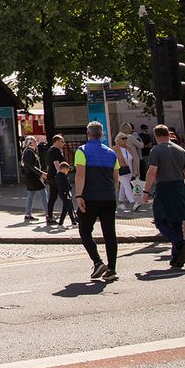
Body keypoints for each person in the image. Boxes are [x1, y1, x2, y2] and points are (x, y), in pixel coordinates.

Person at [142, 125, 185, 269]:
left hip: (164, 188)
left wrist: (146, 192)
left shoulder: (156, 150)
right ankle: (176, 258)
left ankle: (180, 243)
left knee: (160, 221)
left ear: (156, 136)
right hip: (179, 187)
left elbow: (152, 172)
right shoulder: (181, 150)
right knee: (177, 222)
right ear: (168, 134)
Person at [73, 121, 120, 282]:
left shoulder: (82, 151)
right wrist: (111, 194)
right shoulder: (111, 153)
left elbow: (80, 175)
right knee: (110, 234)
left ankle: (97, 261)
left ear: (88, 133)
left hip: (89, 198)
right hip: (108, 198)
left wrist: (79, 196)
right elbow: (116, 179)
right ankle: (112, 269)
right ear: (102, 135)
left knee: (85, 231)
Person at [44, 135, 69, 226]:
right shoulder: (55, 151)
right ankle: (73, 216)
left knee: (53, 197)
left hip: (51, 176)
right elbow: (56, 164)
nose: (64, 143)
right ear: (56, 141)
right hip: (56, 177)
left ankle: (49, 216)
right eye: (62, 141)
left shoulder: (51, 150)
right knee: (65, 196)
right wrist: (61, 176)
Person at [22, 137, 47, 222]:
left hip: (30, 176)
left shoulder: (29, 151)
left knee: (31, 196)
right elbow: (31, 166)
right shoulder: (29, 152)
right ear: (30, 143)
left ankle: (28, 214)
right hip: (33, 176)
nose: (36, 142)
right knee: (43, 194)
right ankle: (48, 214)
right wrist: (41, 173)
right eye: (35, 141)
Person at [115, 132, 141, 212]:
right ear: (118, 140)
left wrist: (136, 170)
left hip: (129, 171)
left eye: (126, 138)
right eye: (123, 138)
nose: (125, 140)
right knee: (127, 186)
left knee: (123, 187)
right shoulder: (115, 149)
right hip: (120, 171)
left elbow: (134, 159)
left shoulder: (128, 148)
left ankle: (120, 203)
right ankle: (134, 203)